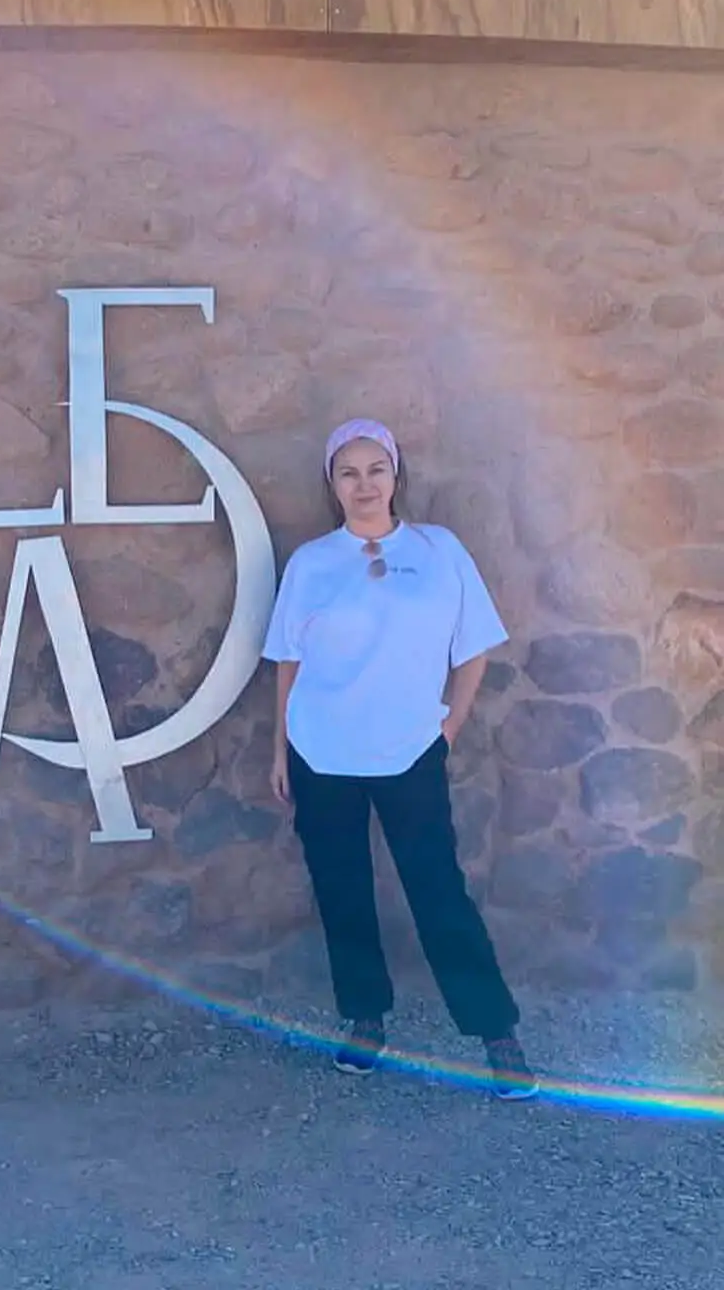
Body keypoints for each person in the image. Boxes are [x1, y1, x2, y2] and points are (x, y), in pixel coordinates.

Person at [261, 417, 538, 1101]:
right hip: (322, 751)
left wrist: (450, 726)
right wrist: (280, 748)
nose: (363, 484)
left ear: (395, 475)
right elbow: (289, 663)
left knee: (438, 891)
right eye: (348, 472)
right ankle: (364, 1020)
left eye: (375, 469)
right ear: (332, 483)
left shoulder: (439, 551)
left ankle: (496, 1033)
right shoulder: (312, 564)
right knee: (342, 889)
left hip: (411, 749)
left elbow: (472, 648)